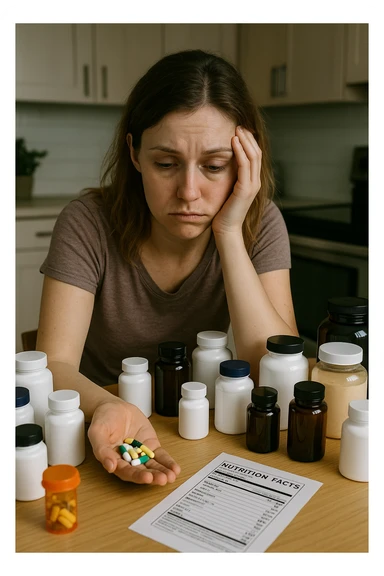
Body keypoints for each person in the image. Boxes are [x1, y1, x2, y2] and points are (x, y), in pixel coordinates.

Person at [36, 49, 299, 486]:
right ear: (134, 153)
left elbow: (272, 364)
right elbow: (54, 362)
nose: (189, 192)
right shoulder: (87, 222)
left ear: (244, 163)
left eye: (214, 166)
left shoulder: (259, 221)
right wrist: (108, 406)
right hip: (102, 424)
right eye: (165, 164)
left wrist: (229, 233)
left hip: (207, 430)